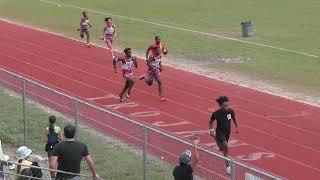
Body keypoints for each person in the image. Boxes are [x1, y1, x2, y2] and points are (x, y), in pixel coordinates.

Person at [208, 96, 239, 175]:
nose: (227, 107)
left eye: (228, 105)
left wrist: (237, 127)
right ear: (221, 105)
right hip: (220, 132)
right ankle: (228, 166)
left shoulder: (231, 111)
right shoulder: (216, 113)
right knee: (225, 146)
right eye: (225, 105)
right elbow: (211, 122)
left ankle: (214, 137)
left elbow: (234, 119)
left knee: (222, 148)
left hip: (227, 132)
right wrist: (210, 129)